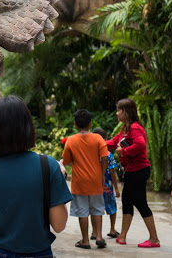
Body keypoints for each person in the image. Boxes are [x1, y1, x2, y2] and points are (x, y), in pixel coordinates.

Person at [0, 95, 72, 257]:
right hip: (37, 252)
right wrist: (59, 178)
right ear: (27, 126)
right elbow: (59, 224)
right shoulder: (48, 166)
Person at [105, 98, 161, 248]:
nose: (117, 113)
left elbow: (140, 145)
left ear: (126, 111)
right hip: (132, 171)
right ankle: (122, 237)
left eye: (118, 110)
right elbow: (111, 142)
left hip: (139, 170)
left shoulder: (135, 128)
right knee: (127, 202)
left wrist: (122, 151)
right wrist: (94, 143)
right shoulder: (125, 129)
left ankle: (154, 239)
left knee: (140, 203)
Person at [60, 109, 109, 250]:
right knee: (97, 209)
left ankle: (85, 240)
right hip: (95, 180)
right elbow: (104, 158)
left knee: (82, 211)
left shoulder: (71, 140)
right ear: (90, 124)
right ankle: (99, 237)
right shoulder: (98, 138)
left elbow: (67, 160)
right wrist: (102, 174)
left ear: (75, 124)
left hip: (79, 182)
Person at [92, 128, 121, 240]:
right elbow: (112, 173)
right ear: (106, 139)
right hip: (107, 187)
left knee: (94, 209)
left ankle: (94, 232)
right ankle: (112, 229)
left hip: (94, 187)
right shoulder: (108, 155)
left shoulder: (91, 155)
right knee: (112, 208)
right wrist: (117, 189)